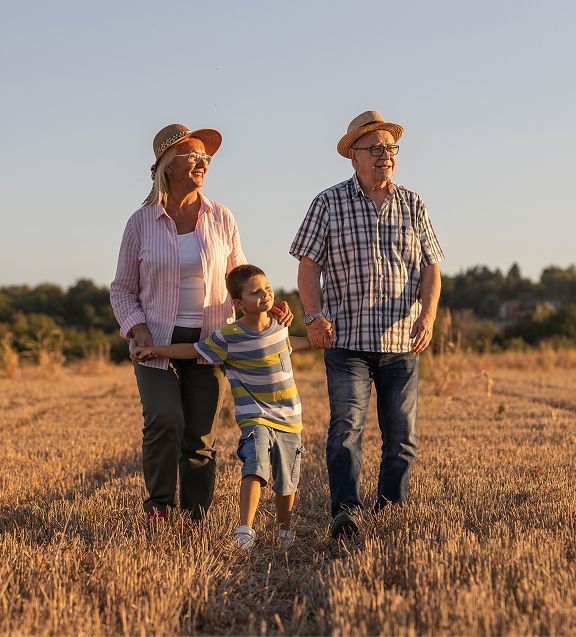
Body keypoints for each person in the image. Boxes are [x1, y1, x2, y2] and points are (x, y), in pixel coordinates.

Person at [110, 124, 291, 523]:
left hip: (212, 340)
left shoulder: (221, 217)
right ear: (167, 166)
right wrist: (137, 329)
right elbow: (122, 289)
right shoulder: (140, 223)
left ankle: (195, 517)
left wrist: (265, 304)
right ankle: (159, 508)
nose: (202, 164)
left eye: (205, 159)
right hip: (154, 341)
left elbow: (239, 277)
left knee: (201, 436)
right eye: (193, 156)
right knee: (164, 420)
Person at [290, 110, 445, 538]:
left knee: (402, 437)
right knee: (346, 430)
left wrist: (427, 316)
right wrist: (314, 315)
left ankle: (390, 509)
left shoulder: (413, 203)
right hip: (347, 340)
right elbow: (308, 267)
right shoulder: (327, 203)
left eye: (390, 148)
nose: (385, 156)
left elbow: (432, 267)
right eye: (375, 149)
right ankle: (346, 512)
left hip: (401, 341)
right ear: (353, 156)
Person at [134, 264, 309, 549]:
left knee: (287, 481)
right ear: (238, 304)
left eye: (267, 289)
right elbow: (193, 349)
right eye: (255, 293)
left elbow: (293, 343)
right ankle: (245, 530)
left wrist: (323, 339)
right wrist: (156, 350)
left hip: (290, 418)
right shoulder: (229, 337)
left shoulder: (280, 329)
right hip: (256, 418)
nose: (264, 295)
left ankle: (284, 532)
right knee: (255, 467)